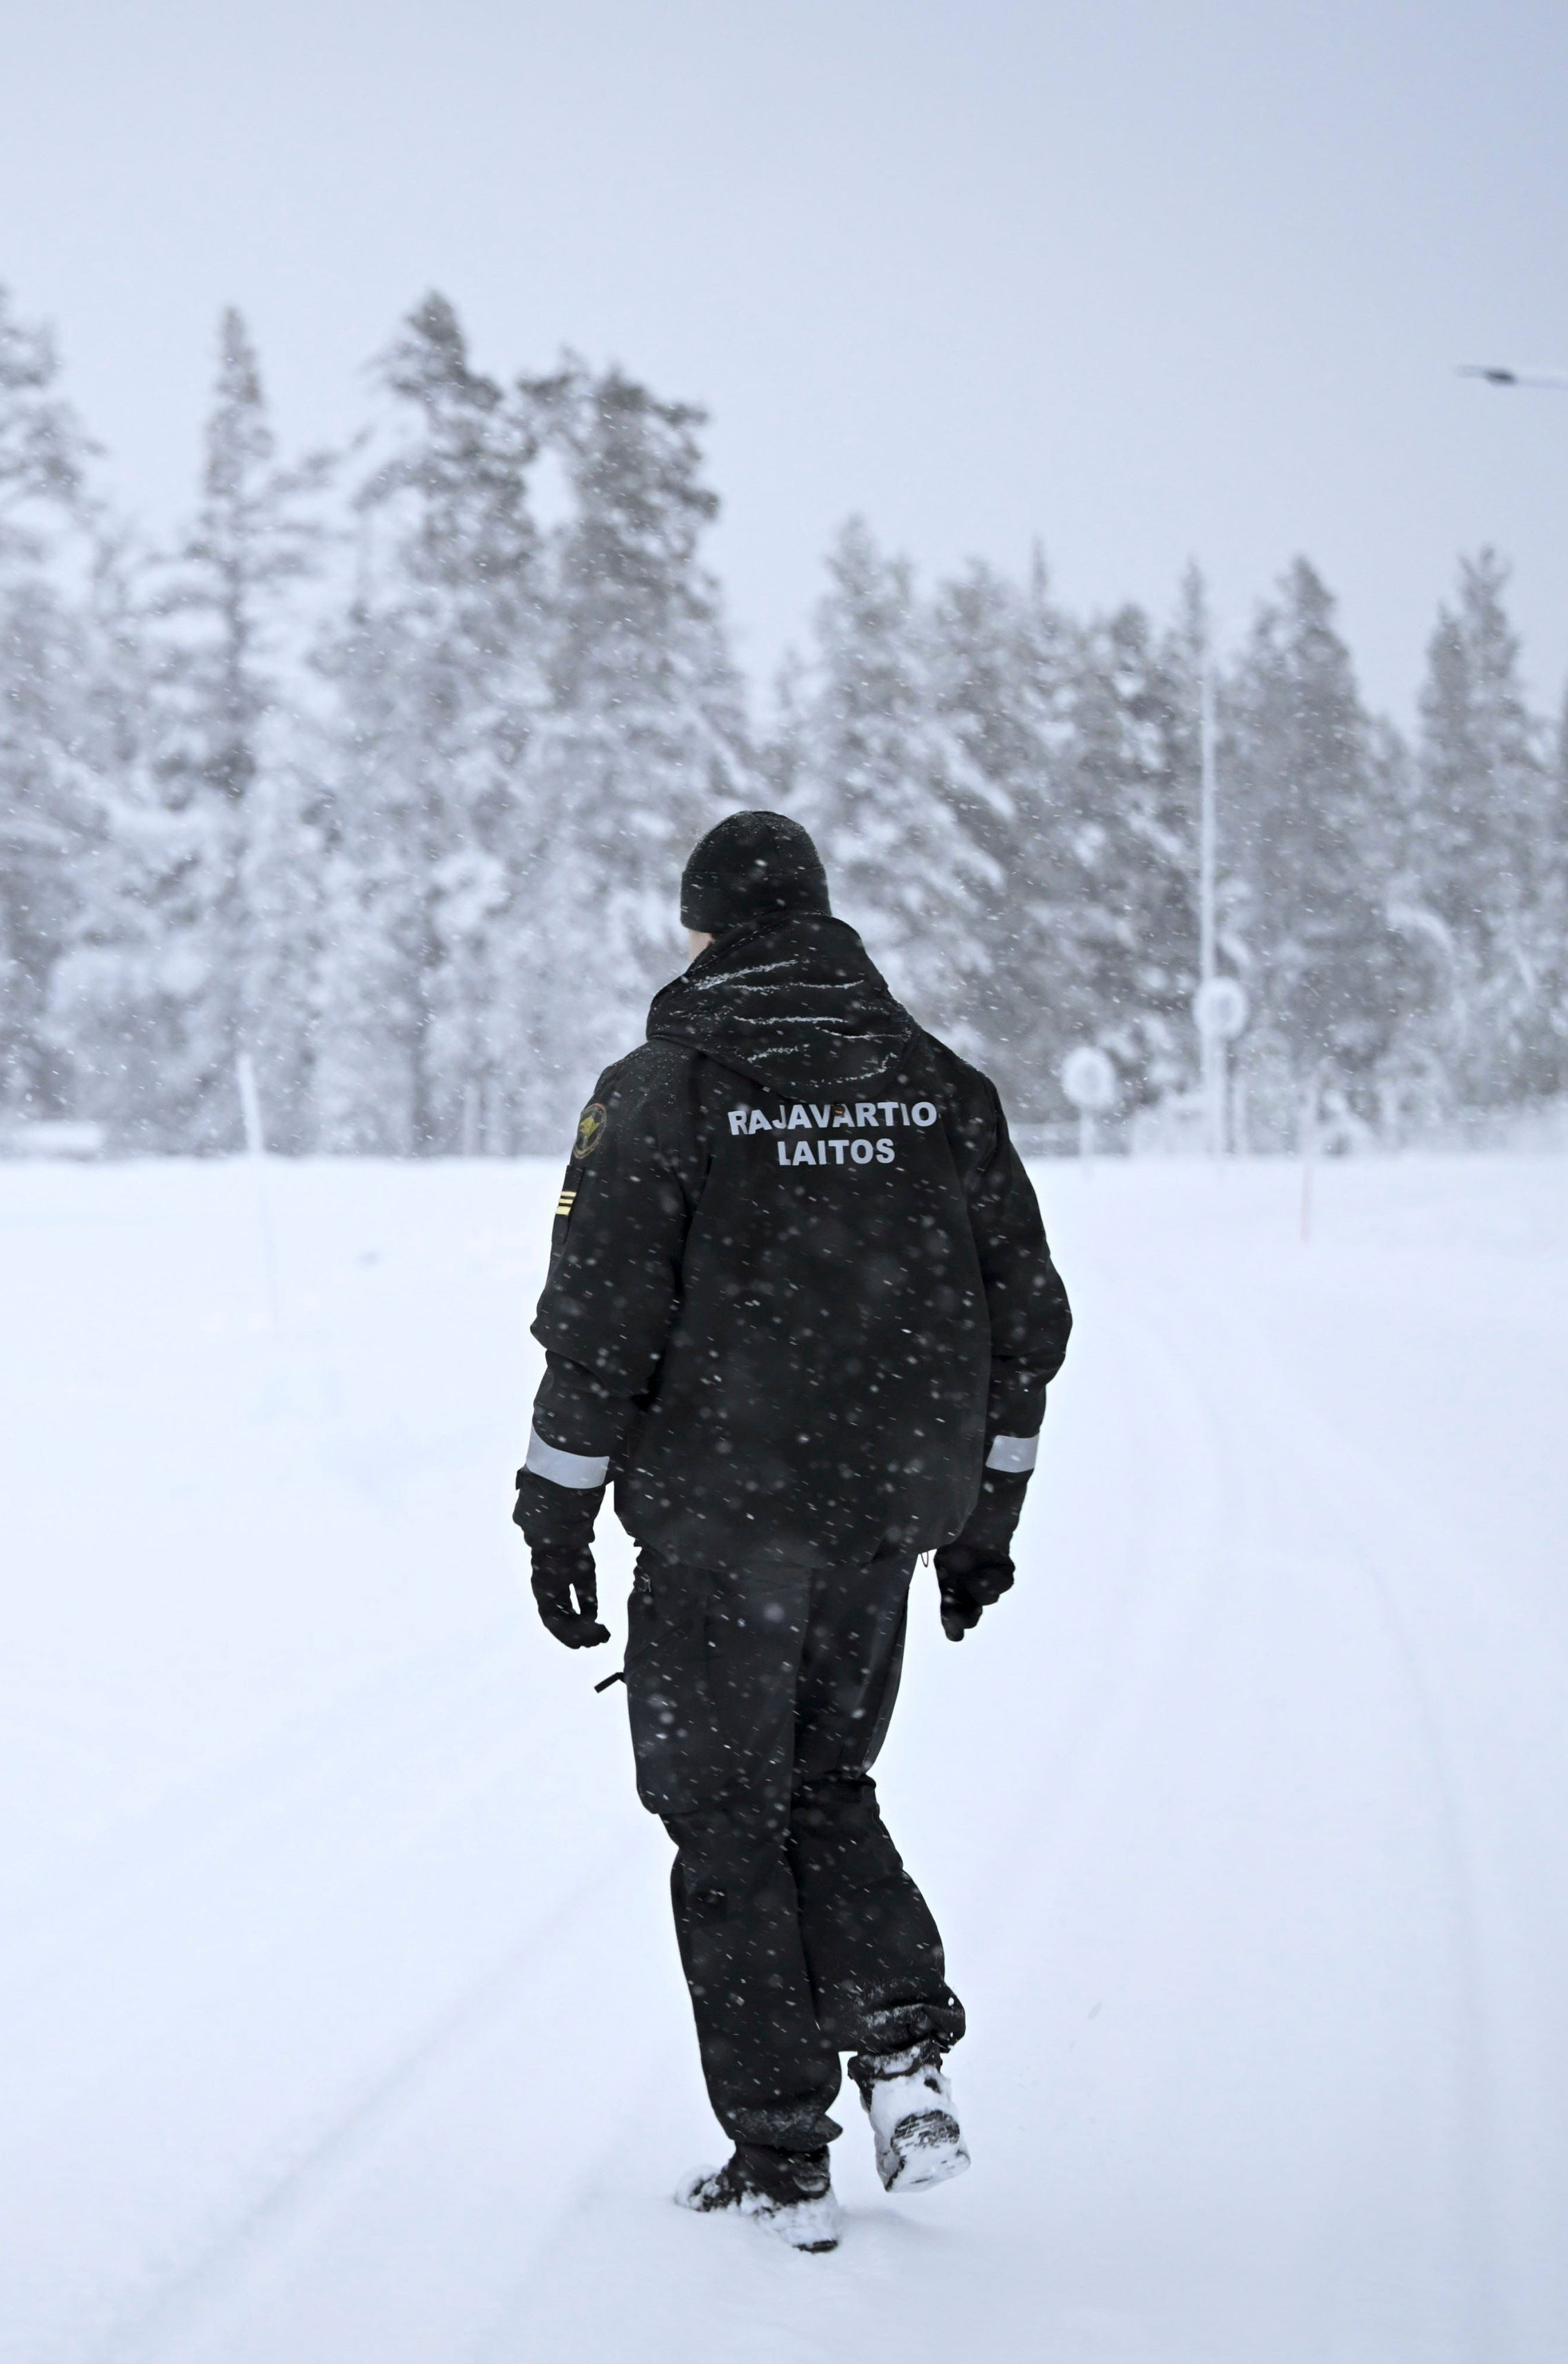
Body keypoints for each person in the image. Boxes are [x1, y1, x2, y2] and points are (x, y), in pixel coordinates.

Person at [513, 810, 1071, 2254]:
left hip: (716, 1532)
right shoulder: (940, 1088)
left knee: (723, 1822)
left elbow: (597, 1328)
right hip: (876, 1524)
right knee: (824, 1779)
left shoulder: (666, 1091)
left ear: (702, 931)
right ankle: (897, 2045)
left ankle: (778, 2155)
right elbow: (1026, 1324)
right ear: (820, 922)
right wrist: (982, 1521)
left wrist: (553, 1514)